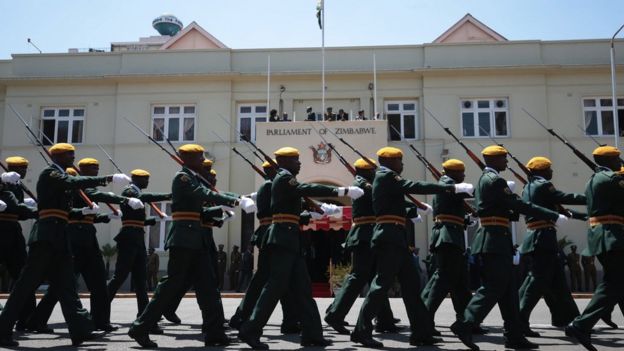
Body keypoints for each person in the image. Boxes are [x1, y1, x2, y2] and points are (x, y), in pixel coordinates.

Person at [0, 143, 132, 347]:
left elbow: (68, 211)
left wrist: (85, 213)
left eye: (72, 155)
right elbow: (72, 183)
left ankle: (80, 329)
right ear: (57, 157)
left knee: (68, 286)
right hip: (46, 236)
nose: (72, 158)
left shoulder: (61, 177)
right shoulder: (51, 173)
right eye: (68, 155)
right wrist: (107, 178)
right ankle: (3, 329)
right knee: (25, 285)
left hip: (60, 235)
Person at [238, 146, 364, 350]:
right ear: (285, 162)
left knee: (303, 289)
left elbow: (298, 204)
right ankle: (250, 330)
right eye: (296, 160)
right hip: (283, 238)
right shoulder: (284, 178)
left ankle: (313, 334)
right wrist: (342, 191)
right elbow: (306, 189)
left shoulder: (284, 179)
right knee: (275, 286)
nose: (299, 163)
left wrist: (311, 213)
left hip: (290, 238)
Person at [127, 144, 253, 348]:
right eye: (199, 157)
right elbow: (204, 194)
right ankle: (140, 328)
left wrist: (237, 199)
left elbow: (204, 205)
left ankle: (215, 334)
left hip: (196, 240)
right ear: (187, 158)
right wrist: (235, 200)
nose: (203, 161)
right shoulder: (183, 177)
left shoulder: (193, 177)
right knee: (170, 286)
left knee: (209, 288)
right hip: (184, 239)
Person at [351, 147, 475, 348]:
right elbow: (413, 185)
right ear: (389, 162)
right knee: (382, 284)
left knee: (412, 285)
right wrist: (449, 188)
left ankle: (421, 332)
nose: (402, 165)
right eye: (399, 161)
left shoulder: (387, 177)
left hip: (397, 236)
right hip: (389, 236)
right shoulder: (386, 176)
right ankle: (361, 331)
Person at [451, 145, 566, 351]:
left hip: (496, 239)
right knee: (495, 286)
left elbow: (501, 208)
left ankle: (514, 336)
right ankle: (465, 323)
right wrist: (552, 214)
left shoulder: (486, 180)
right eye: (503, 158)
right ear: (493, 160)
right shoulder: (495, 181)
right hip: (494, 240)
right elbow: (518, 205)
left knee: (509, 291)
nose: (506, 162)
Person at [26, 158, 145, 333]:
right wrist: (125, 200)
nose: (96, 170)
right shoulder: (74, 184)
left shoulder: (84, 186)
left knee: (98, 283)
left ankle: (101, 321)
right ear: (82, 169)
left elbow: (91, 212)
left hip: (89, 237)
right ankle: (36, 320)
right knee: (62, 284)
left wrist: (105, 217)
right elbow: (97, 195)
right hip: (74, 238)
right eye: (93, 167)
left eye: (98, 167)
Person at [324, 158, 400, 336]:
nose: (376, 174)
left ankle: (384, 319)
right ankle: (335, 314)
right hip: (364, 236)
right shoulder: (364, 186)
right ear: (367, 172)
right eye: (373, 171)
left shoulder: (364, 183)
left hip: (368, 234)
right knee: (358, 277)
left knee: (376, 276)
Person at [229, 160, 303, 335]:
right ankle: (243, 318)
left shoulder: (267, 186)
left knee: (275, 279)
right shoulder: (271, 186)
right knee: (269, 280)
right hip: (273, 231)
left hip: (268, 232)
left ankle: (289, 319)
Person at [517, 156, 586, 337]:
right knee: (536, 282)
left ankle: (568, 319)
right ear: (541, 171)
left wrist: (585, 216)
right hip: (543, 238)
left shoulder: (529, 187)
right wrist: (590, 198)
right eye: (549, 169)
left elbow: (561, 210)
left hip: (540, 237)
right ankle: (519, 320)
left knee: (558, 283)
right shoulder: (543, 186)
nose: (552, 172)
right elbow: (563, 198)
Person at [565, 145, 624, 351]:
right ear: (609, 161)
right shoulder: (612, 179)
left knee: (618, 281)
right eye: (618, 159)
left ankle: (584, 323)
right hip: (611, 235)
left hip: (605, 235)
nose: (620, 162)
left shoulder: (594, 179)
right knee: (614, 282)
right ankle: (581, 325)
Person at [422, 159, 487, 336]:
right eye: (461, 172)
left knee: (460, 284)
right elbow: (464, 194)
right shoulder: (448, 184)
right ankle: (423, 320)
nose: (464, 175)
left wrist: (465, 219)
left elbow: (452, 210)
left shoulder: (448, 185)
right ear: (454, 173)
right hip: (448, 237)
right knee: (443, 281)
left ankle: (466, 321)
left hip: (453, 236)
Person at [107, 169, 171, 321]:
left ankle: (144, 314)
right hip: (128, 238)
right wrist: (168, 196)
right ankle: (99, 308)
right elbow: (145, 197)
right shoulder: (129, 191)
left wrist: (154, 220)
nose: (147, 182)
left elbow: (138, 220)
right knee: (119, 277)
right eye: (145, 179)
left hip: (137, 237)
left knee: (140, 280)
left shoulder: (136, 193)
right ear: (136, 179)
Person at [0, 156, 37, 331]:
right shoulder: (4, 182)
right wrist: (34, 211)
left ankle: (26, 318)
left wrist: (27, 209)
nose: (23, 172)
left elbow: (19, 213)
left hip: (14, 231)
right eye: (21, 168)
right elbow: (13, 206)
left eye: (25, 168)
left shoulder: (16, 186)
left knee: (23, 276)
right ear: (12, 168)